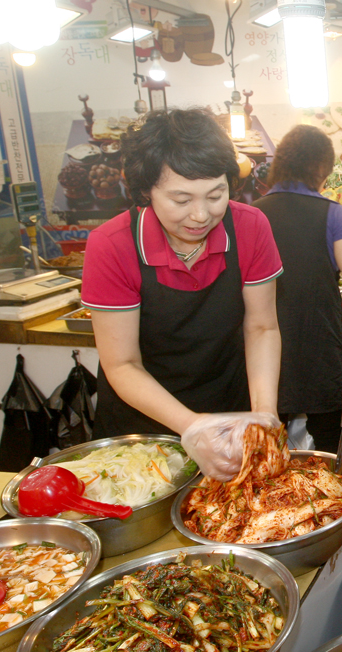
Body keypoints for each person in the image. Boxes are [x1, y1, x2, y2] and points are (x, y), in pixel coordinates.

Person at [82, 108, 283, 479]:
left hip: (227, 411)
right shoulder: (111, 245)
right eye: (181, 199)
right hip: (142, 424)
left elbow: (262, 328)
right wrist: (190, 427)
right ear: (147, 191)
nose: (201, 214)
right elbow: (122, 364)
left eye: (215, 194)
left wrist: (264, 414)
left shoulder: (251, 226)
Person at [252, 125, 342, 451]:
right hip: (317, 335)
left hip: (262, 341)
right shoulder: (330, 212)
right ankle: (334, 493)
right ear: (321, 167)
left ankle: (273, 497)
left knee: (269, 433)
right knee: (328, 431)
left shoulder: (251, 213)